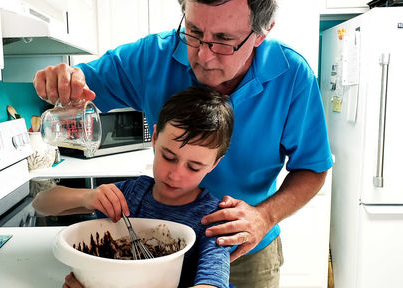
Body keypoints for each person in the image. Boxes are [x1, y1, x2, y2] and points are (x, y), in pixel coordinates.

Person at [33, 0, 333, 286]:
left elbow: (313, 168)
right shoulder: (151, 57)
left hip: (242, 248)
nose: (203, 55)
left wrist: (264, 216)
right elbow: (80, 85)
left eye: (224, 39)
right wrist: (63, 80)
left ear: (261, 32)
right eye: (193, 32)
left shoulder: (292, 76)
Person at [33, 86, 234, 288]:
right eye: (168, 156)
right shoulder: (131, 194)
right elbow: (41, 203)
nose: (175, 175)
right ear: (154, 138)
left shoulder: (213, 219)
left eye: (194, 167)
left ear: (214, 164)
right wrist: (87, 197)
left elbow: (213, 283)